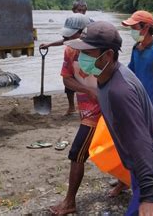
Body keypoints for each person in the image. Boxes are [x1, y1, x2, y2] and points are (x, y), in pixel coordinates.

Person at [65, 21, 153, 216]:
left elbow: (139, 140)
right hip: (141, 165)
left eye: (87, 53)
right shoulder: (106, 77)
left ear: (107, 55)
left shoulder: (119, 91)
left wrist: (149, 194)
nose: (80, 57)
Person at [49, 14, 101, 215]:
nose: (71, 39)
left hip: (103, 111)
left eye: (76, 35)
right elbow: (67, 79)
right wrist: (88, 91)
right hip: (86, 108)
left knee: (77, 153)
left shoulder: (102, 51)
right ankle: (124, 182)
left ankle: (70, 202)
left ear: (85, 33)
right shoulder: (70, 50)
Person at [121, 10, 153, 133]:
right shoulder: (136, 48)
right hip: (138, 100)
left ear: (146, 27)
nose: (132, 31)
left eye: (134, 27)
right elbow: (130, 72)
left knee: (151, 136)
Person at [39, 0, 91, 116]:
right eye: (79, 10)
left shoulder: (89, 24)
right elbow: (67, 39)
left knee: (87, 79)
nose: (81, 12)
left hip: (85, 57)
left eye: (83, 11)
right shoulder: (70, 23)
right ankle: (72, 107)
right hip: (72, 55)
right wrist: (49, 44)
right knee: (69, 80)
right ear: (73, 10)